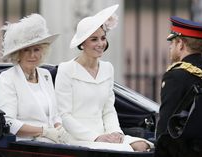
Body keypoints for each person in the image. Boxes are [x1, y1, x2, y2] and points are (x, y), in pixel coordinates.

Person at [55, 4, 153, 152]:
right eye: (94, 39)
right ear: (82, 43)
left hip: (104, 134)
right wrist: (96, 137)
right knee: (124, 150)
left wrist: (116, 132)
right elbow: (64, 116)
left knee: (142, 145)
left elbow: (108, 109)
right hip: (76, 136)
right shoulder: (66, 69)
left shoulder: (107, 68)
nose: (100, 44)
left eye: (103, 38)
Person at [0, 14, 69, 144]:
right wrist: (44, 131)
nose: (32, 55)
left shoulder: (45, 74)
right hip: (26, 145)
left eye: (37, 49)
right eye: (26, 50)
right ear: (17, 53)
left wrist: (59, 127)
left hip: (53, 142)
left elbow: (54, 115)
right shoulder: (8, 78)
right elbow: (9, 122)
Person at [155, 16, 202, 157]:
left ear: (180, 44)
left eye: (172, 42)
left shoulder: (175, 75)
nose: (170, 46)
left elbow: (165, 128)